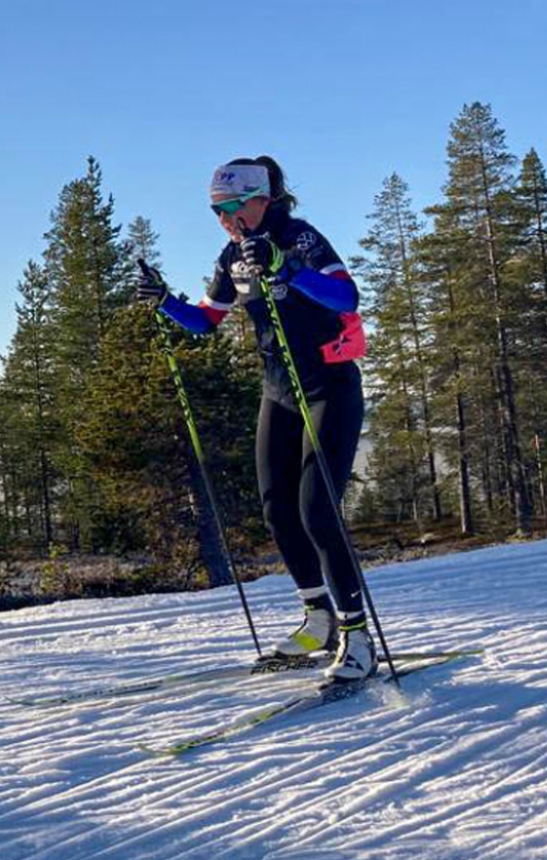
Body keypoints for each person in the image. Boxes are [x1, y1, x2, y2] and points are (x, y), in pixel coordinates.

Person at [137, 156, 373, 681]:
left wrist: (286, 269)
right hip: (279, 392)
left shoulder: (299, 238)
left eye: (230, 208)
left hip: (328, 387)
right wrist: (165, 303)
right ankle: (319, 620)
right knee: (276, 510)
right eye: (216, 211)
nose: (224, 220)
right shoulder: (231, 257)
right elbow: (205, 322)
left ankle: (358, 636)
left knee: (318, 511)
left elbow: (346, 294)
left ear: (261, 199)